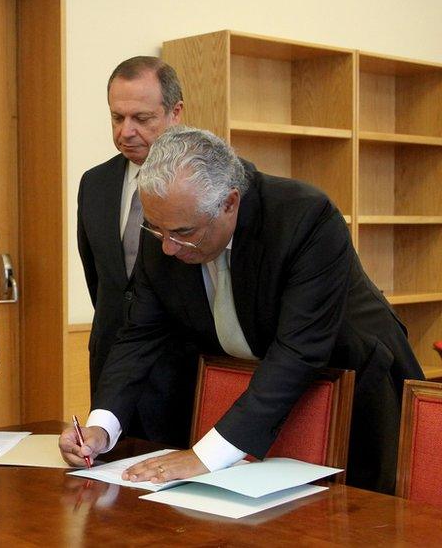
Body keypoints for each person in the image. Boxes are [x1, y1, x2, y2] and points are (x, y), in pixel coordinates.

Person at [60, 126, 423, 494]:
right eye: (157, 231)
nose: (167, 248)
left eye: (182, 233)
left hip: (356, 375)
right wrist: (102, 427)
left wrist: (205, 455)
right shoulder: (169, 223)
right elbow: (140, 334)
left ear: (230, 203)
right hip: (268, 392)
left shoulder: (304, 216)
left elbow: (299, 351)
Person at [76, 56, 196, 446]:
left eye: (142, 119)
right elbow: (102, 281)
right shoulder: (94, 184)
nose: (126, 132)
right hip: (111, 365)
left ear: (175, 113)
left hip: (182, 370)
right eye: (116, 118)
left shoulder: (204, 181)